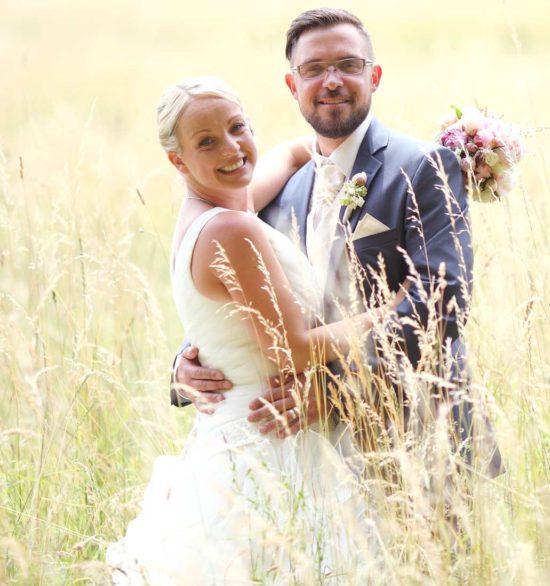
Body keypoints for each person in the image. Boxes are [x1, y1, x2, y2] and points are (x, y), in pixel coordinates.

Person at [48, 77, 383, 586]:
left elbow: (282, 155)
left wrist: (312, 151)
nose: (232, 149)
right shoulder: (230, 228)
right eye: (207, 143)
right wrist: (393, 311)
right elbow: (296, 349)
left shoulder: (224, 207)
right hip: (268, 443)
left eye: (238, 127)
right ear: (177, 160)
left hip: (235, 433)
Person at [171, 8, 503, 480]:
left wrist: (335, 391)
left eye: (348, 65)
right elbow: (247, 292)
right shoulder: (280, 188)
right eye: (313, 69)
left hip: (421, 437)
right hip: (315, 460)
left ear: (374, 76)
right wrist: (188, 364)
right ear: (293, 85)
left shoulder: (423, 167)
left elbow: (444, 302)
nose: (332, 81)